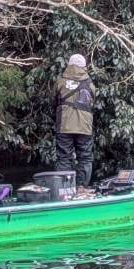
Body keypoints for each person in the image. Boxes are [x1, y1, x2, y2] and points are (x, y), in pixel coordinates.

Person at [52, 53, 95, 185]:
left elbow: (53, 102)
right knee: (85, 158)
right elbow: (92, 103)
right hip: (85, 126)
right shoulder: (90, 84)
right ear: (84, 66)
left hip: (64, 125)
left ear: (69, 65)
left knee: (64, 157)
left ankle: (64, 188)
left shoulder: (60, 82)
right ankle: (82, 188)